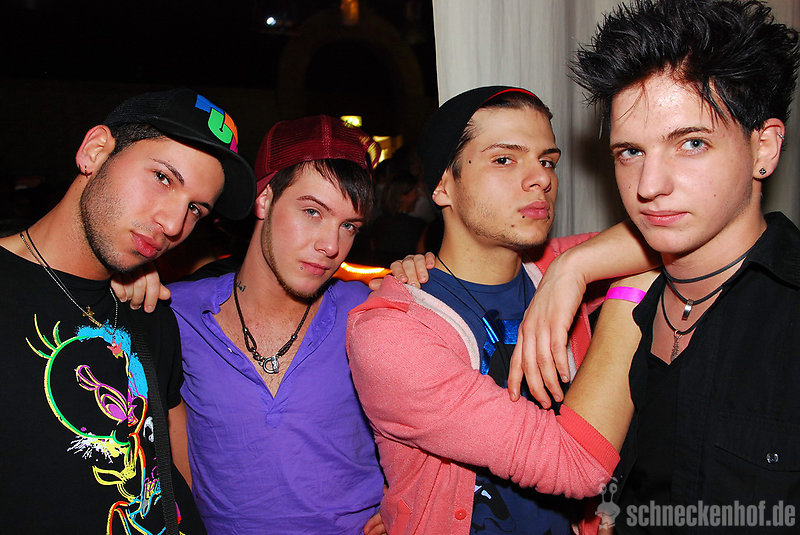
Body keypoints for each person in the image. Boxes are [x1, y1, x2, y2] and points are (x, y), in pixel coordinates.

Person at [522, 0, 800, 531]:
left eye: (691, 143)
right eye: (630, 152)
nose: (649, 185)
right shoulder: (619, 308)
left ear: (763, 147)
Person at [346, 86, 656, 534]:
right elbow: (576, 465)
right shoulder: (390, 333)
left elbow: (675, 231)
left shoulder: (556, 270)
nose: (541, 179)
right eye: (505, 159)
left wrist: (572, 268)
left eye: (547, 161)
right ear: (442, 186)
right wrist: (630, 296)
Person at [0, 88, 255, 533]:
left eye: (196, 209)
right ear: (95, 150)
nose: (173, 224)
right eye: (163, 178)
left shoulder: (150, 310)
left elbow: (173, 469)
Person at [167, 115, 394, 534]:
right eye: (312, 211)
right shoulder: (174, 311)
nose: (331, 246)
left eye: (348, 226)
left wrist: (409, 498)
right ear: (264, 199)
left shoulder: (366, 311)